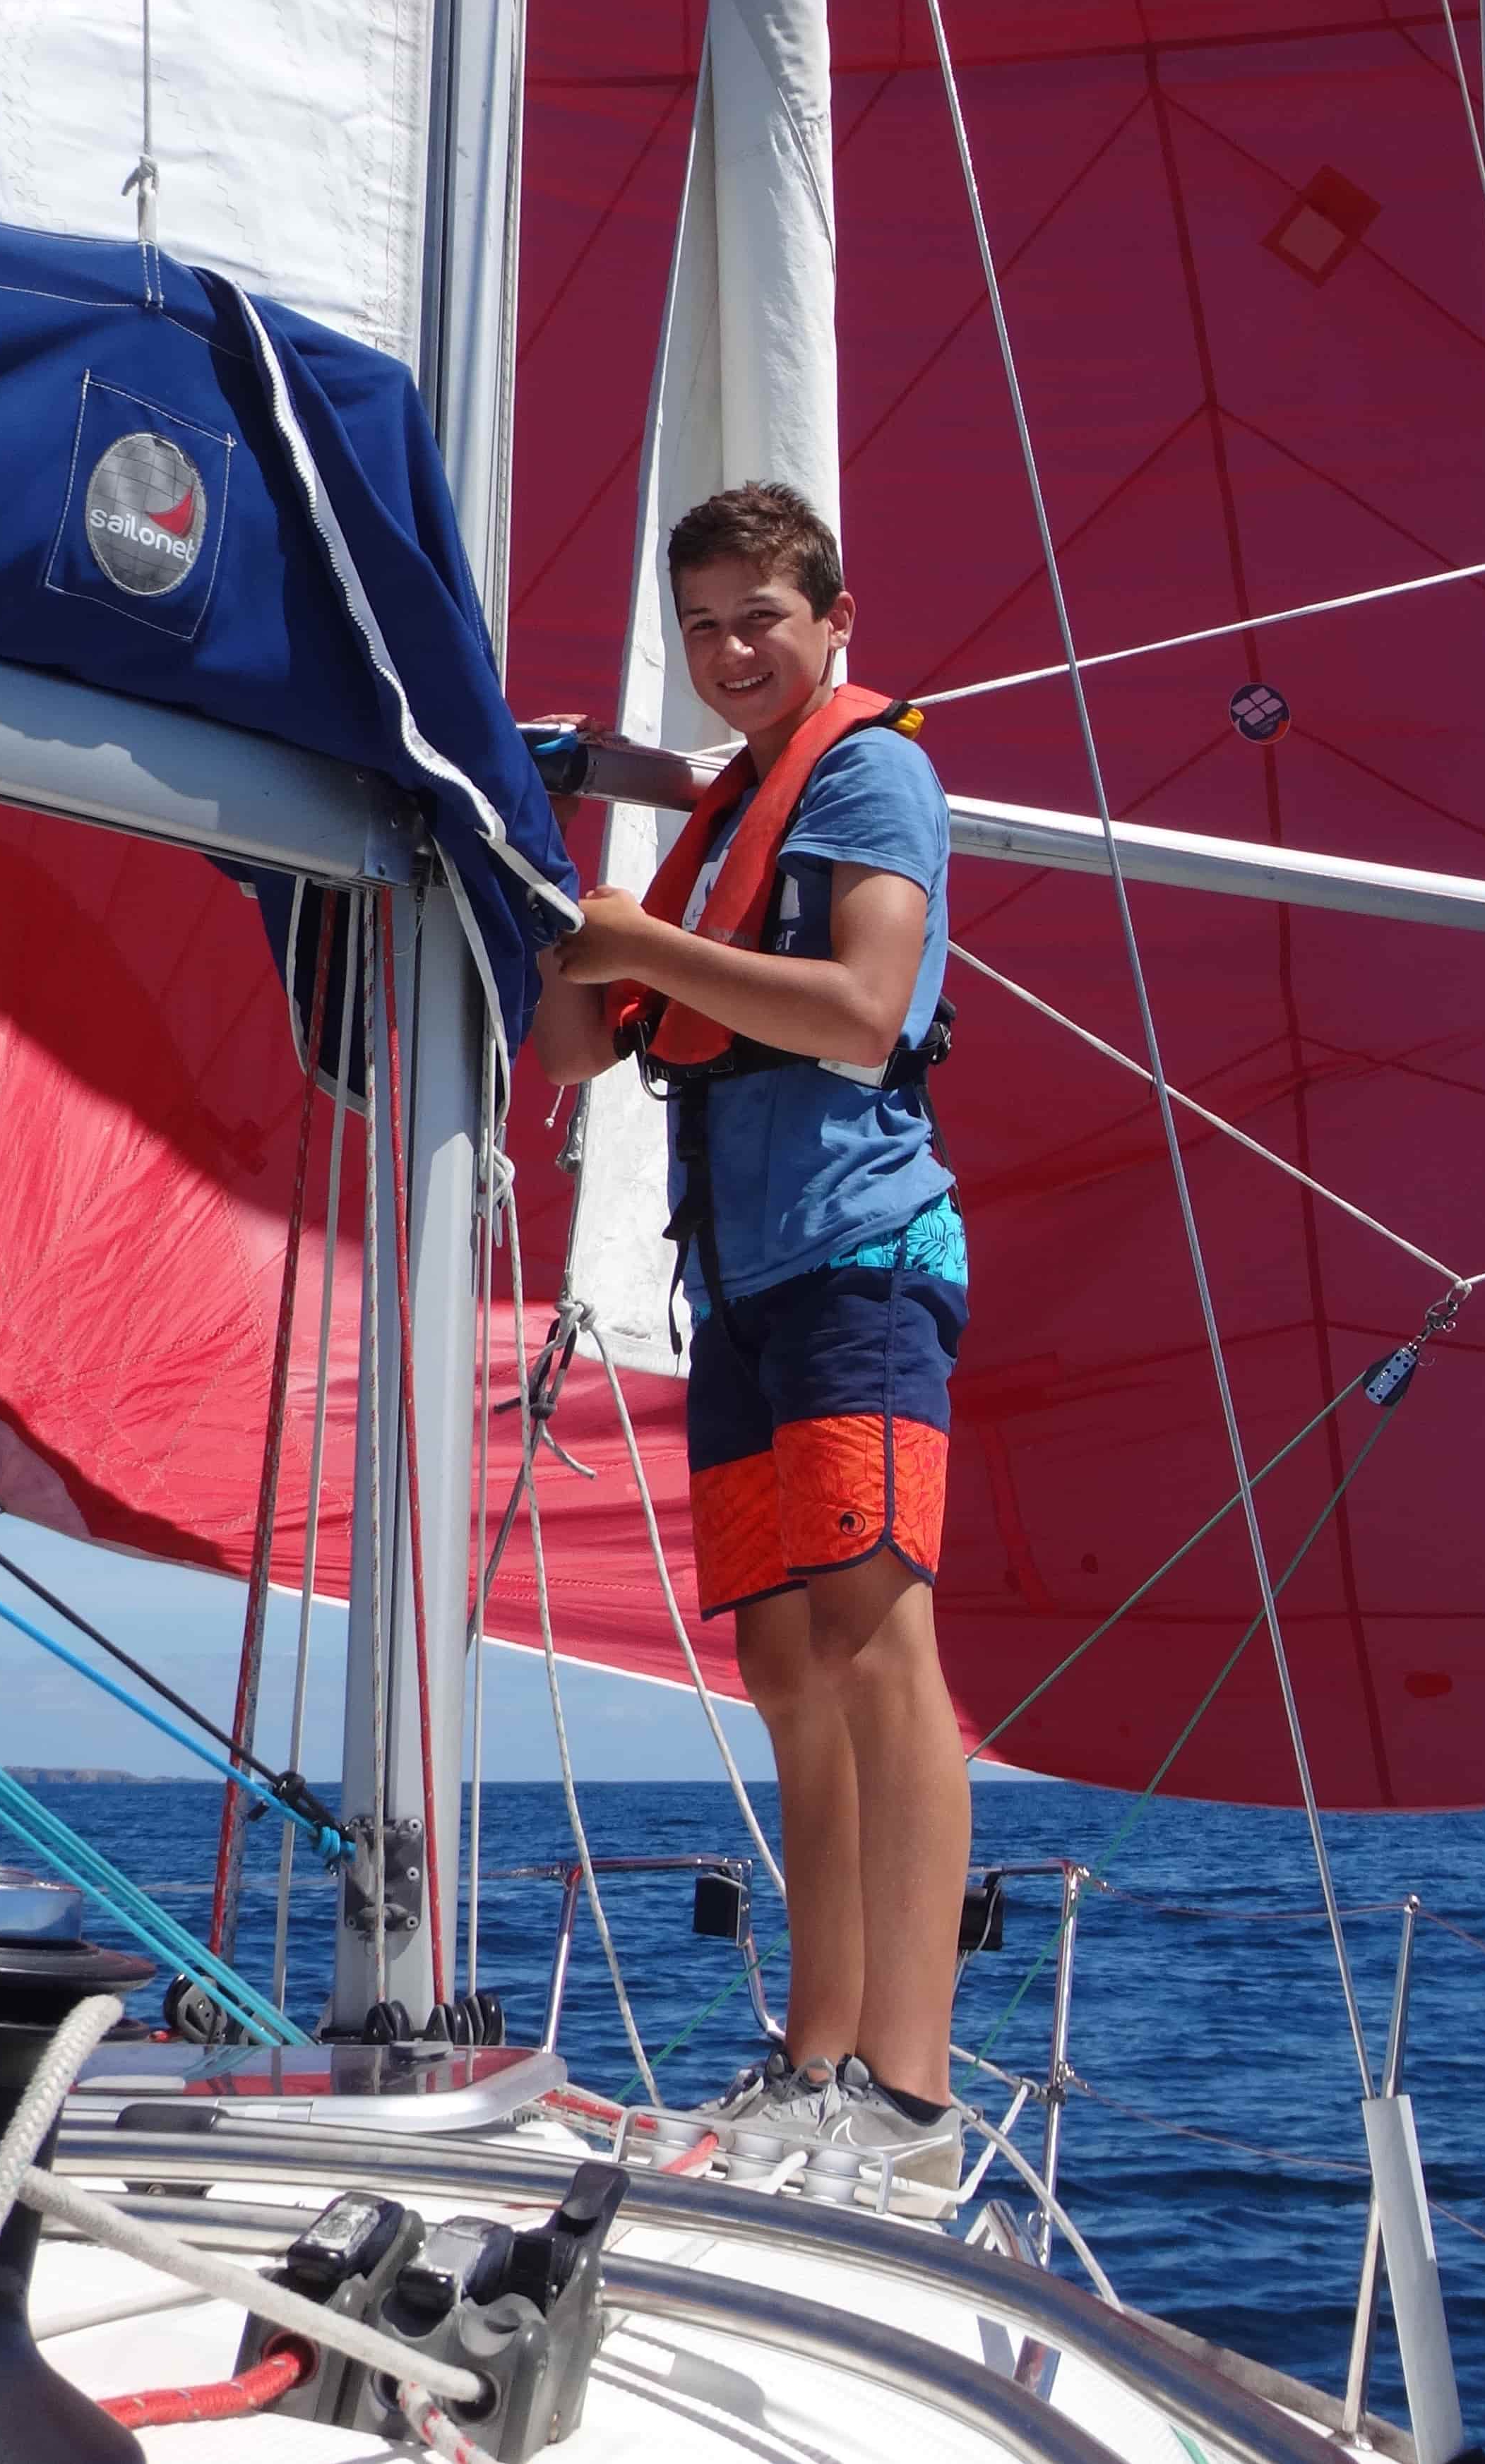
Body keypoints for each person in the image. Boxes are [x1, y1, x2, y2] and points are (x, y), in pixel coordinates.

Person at [530, 479, 972, 2191]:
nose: (727, 651)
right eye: (700, 622)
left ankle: (908, 2098)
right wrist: (574, 871)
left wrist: (646, 935)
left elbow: (866, 1009)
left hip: (864, 1263)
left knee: (878, 1648)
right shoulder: (712, 829)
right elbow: (571, 1052)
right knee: (787, 1670)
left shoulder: (870, 773)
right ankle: (815, 2060)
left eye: (757, 619)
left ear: (832, 621)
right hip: (742, 1289)